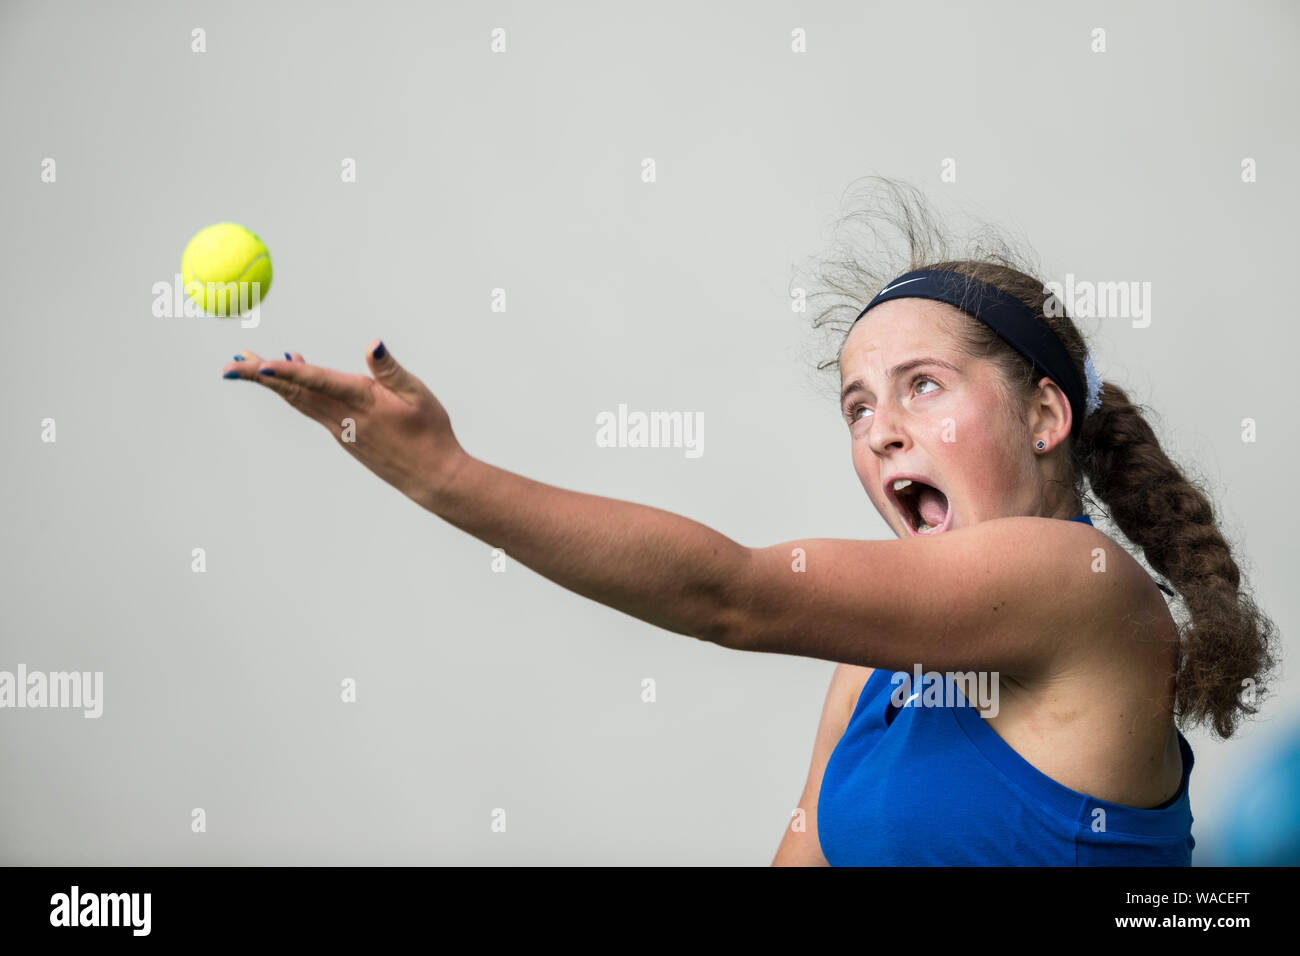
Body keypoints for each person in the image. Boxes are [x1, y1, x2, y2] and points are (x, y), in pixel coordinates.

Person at [218, 180, 1277, 865]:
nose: (881, 431)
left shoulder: (1084, 584)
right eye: (857, 405)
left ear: (1047, 414)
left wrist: (444, 475)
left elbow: (730, 594)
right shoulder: (866, 676)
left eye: (922, 386)